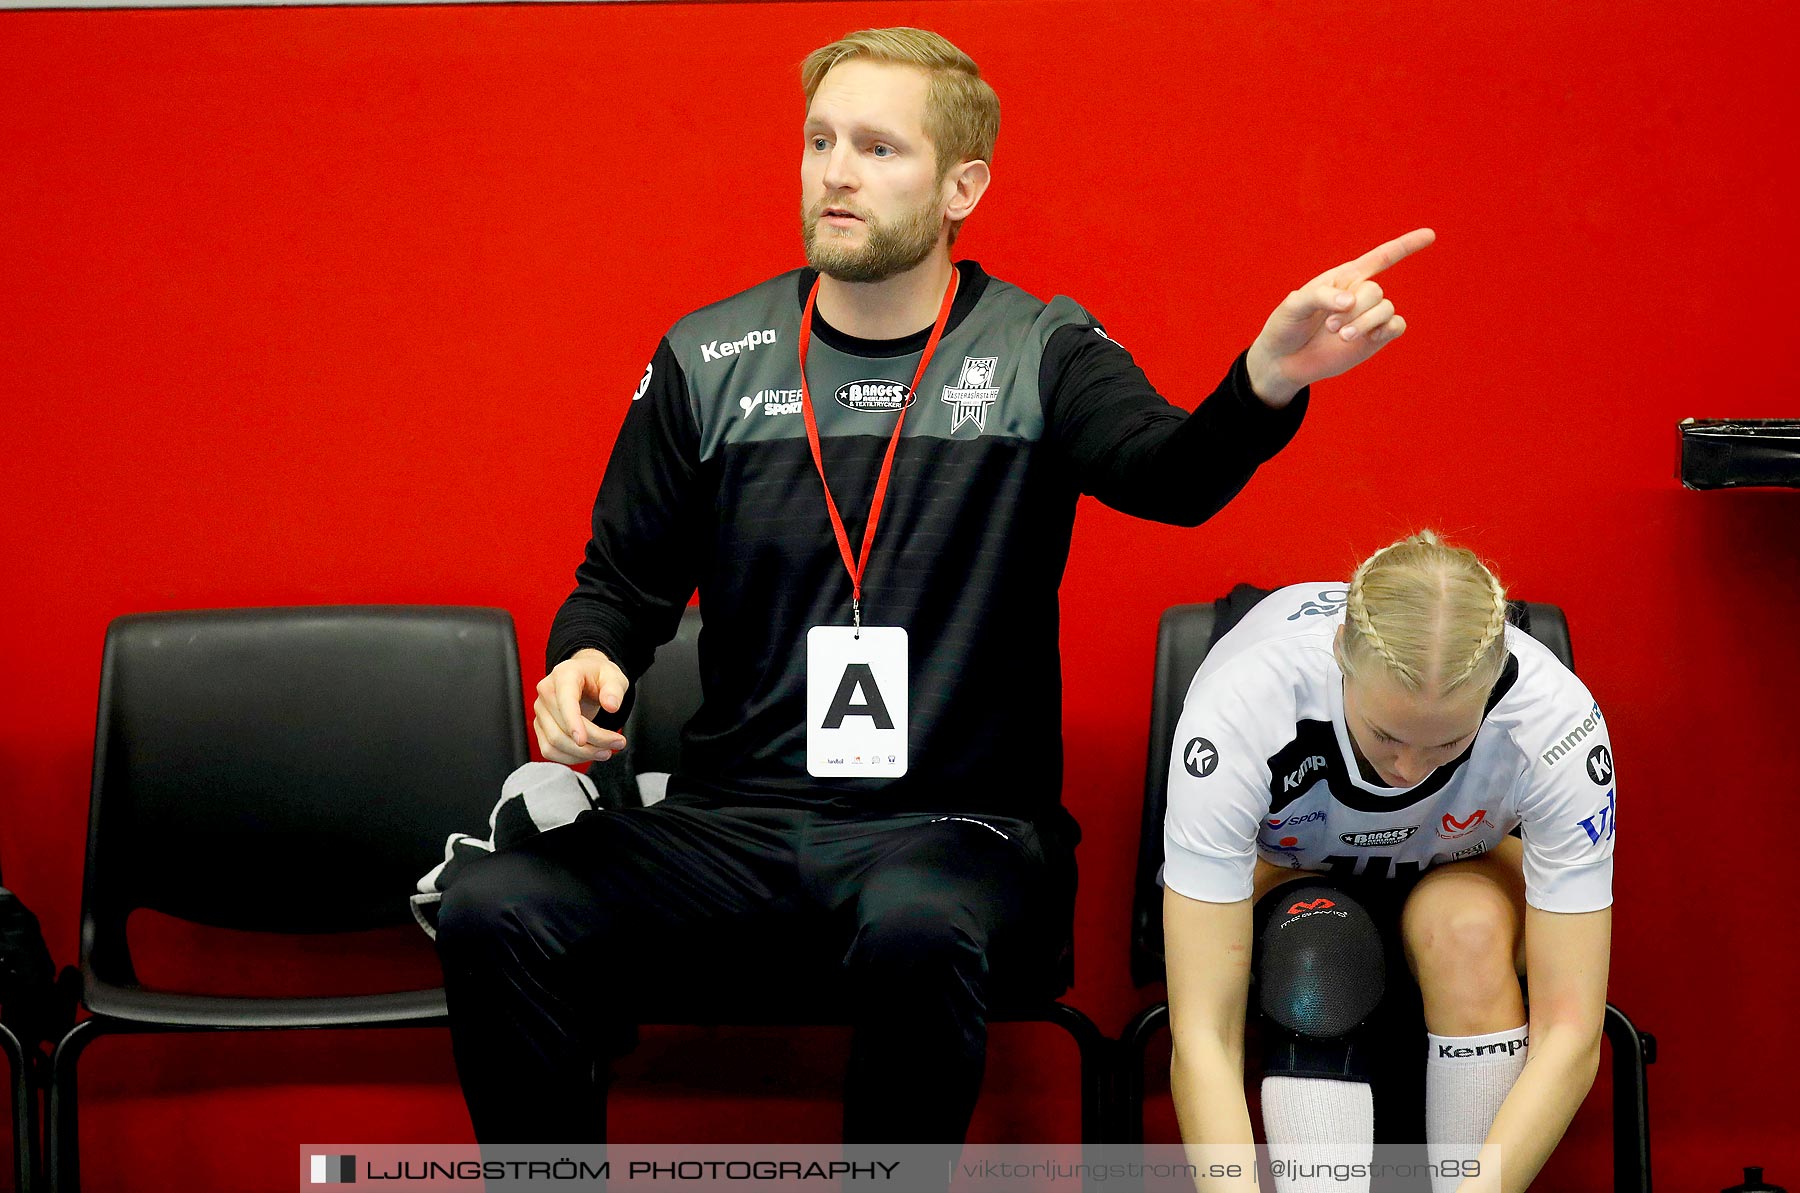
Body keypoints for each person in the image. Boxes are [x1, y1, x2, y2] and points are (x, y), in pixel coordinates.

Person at [436, 26, 1433, 1145]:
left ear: (965, 185)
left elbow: (1175, 475)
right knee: (494, 905)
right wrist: (588, 659)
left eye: (876, 147)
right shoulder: (707, 358)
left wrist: (1267, 379)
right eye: (819, 141)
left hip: (958, 828)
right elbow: (622, 583)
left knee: (916, 921)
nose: (836, 173)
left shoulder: (1037, 348)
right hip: (741, 821)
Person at [1162, 532, 1614, 1193]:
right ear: (1341, 657)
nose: (1407, 769)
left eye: (1449, 742)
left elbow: (1572, 1031)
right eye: (1385, 734)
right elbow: (1203, 1034)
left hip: (1463, 866)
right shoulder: (1246, 705)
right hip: (1288, 868)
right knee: (1319, 947)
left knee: (1469, 934)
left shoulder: (1554, 722)